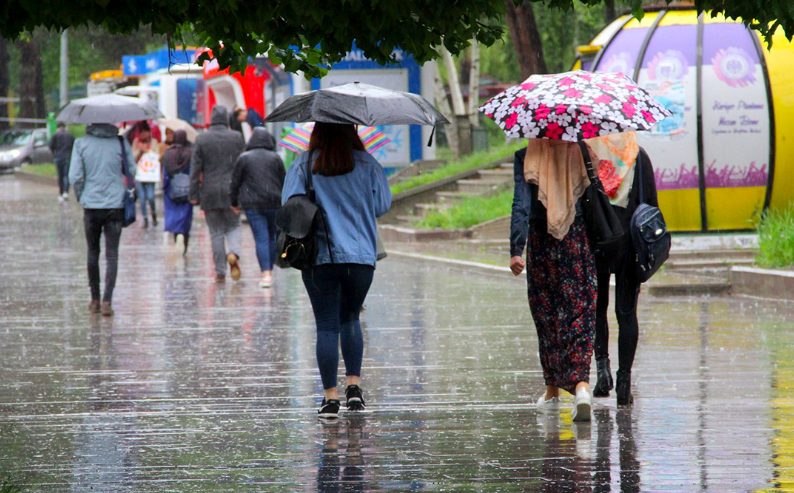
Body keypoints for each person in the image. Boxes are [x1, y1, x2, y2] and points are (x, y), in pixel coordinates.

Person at [282, 122, 391, 419]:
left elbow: (289, 206)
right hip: (360, 257)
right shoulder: (368, 162)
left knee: (327, 325)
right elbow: (382, 205)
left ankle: (330, 398)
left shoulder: (303, 164)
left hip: (320, 256)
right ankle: (354, 389)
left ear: (317, 131)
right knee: (351, 318)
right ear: (351, 131)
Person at [509, 140, 597, 422]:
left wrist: (516, 249)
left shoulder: (526, 156)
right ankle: (582, 387)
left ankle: (552, 394)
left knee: (547, 316)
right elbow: (597, 196)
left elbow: (520, 203)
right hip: (577, 240)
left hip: (540, 242)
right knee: (579, 312)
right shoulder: (581, 151)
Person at [591, 134, 659, 406]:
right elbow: (652, 205)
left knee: (597, 308)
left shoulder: (590, 155)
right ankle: (624, 383)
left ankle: (603, 371)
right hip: (629, 243)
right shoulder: (638, 155)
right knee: (626, 312)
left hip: (596, 240)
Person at [69, 123, 135, 317]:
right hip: (115, 205)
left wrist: (82, 196)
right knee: (112, 254)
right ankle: (107, 301)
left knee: (92, 252)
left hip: (91, 206)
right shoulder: (120, 143)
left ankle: (95, 300)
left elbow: (75, 176)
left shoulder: (81, 144)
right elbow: (132, 169)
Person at [189, 105, 246, 282]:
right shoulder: (236, 137)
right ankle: (234, 253)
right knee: (234, 225)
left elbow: (195, 169)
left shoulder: (202, 139)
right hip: (232, 191)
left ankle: (220, 272)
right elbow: (242, 164)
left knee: (216, 233)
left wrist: (193, 194)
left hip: (210, 191)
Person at [230, 127, 286, 288]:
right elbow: (284, 180)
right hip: (274, 202)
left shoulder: (244, 158)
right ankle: (270, 270)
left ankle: (266, 274)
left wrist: (234, 202)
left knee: (261, 238)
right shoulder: (275, 158)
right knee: (272, 238)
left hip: (253, 205)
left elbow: (235, 182)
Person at [161, 130, 193, 254]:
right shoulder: (190, 153)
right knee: (185, 216)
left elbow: (165, 175)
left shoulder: (167, 154)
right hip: (187, 190)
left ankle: (176, 235)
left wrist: (165, 187)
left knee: (173, 215)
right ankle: (184, 239)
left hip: (171, 191)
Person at [132, 122, 159, 228]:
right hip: (139, 174)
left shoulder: (154, 142)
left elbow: (156, 156)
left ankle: (153, 214)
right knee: (142, 198)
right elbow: (132, 157)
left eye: (145, 132)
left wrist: (147, 150)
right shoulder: (136, 142)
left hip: (150, 174)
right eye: (141, 132)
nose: (143, 135)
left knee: (151, 196)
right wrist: (139, 150)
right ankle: (145, 218)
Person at [49, 122, 75, 201]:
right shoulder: (70, 135)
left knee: (60, 176)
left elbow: (51, 146)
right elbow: (74, 146)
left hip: (58, 157)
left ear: (58, 128)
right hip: (68, 157)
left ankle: (60, 192)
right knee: (67, 175)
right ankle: (66, 192)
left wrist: (55, 154)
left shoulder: (55, 135)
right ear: (65, 127)